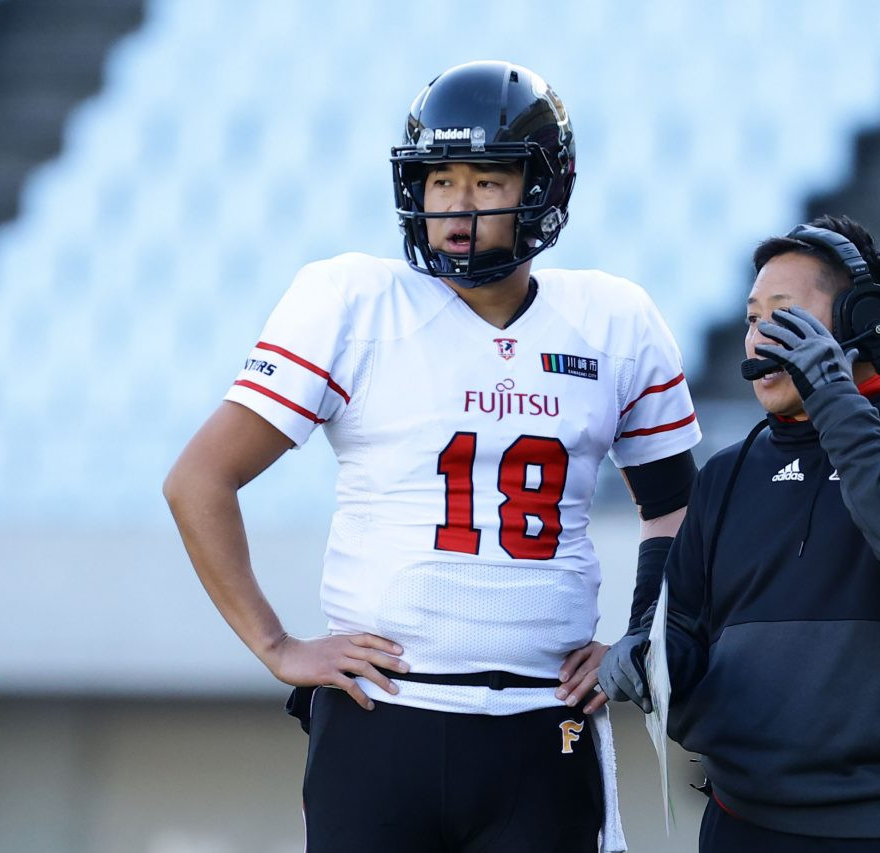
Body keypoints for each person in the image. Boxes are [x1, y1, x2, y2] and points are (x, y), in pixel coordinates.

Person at [163, 60, 701, 852]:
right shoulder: (352, 302)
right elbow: (199, 479)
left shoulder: (614, 320)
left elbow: (675, 507)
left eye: (486, 180)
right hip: (383, 720)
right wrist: (275, 645)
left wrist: (638, 635)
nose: (457, 204)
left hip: (542, 725)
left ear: (544, 186)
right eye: (441, 179)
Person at [599, 214, 880, 851]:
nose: (758, 338)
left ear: (862, 323)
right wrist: (646, 657)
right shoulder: (726, 475)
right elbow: (685, 634)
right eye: (753, 319)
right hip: (739, 822)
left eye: (784, 317)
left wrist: (831, 390)